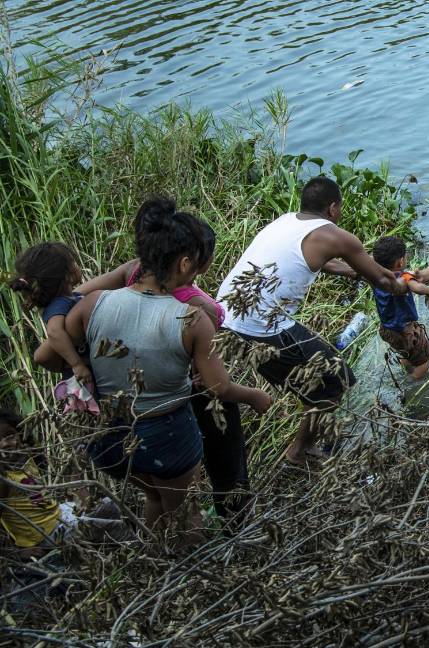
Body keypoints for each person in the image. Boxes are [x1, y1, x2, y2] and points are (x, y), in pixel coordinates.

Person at [65, 204, 272, 536]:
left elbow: (50, 354)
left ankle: (152, 562)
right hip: (165, 439)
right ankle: (191, 575)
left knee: (158, 499)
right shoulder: (192, 319)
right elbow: (218, 387)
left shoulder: (93, 303)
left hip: (107, 440)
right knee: (185, 517)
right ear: (184, 262)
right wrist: (255, 396)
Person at [215, 176, 405, 466]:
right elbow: (381, 278)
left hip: (224, 318)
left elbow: (323, 261)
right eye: (340, 208)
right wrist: (408, 284)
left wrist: (353, 272)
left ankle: (310, 422)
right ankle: (299, 451)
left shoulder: (286, 221)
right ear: (333, 208)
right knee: (337, 380)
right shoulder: (335, 235)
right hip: (261, 328)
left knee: (317, 372)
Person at [9, 243, 94, 390]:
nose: (77, 264)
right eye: (72, 262)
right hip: (83, 375)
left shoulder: (72, 298)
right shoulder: (60, 304)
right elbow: (54, 332)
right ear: (66, 275)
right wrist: (76, 364)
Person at [0, 409, 75, 556]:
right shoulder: (3, 480)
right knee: (108, 524)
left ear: (21, 435)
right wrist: (15, 553)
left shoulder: (27, 456)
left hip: (59, 514)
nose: (4, 444)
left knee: (108, 505)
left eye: (9, 435)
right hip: (45, 536)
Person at [371, 236, 429, 379]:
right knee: (428, 356)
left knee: (406, 351)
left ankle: (406, 365)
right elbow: (417, 288)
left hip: (387, 330)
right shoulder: (405, 277)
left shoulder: (374, 276)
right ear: (401, 261)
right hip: (405, 330)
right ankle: (412, 382)